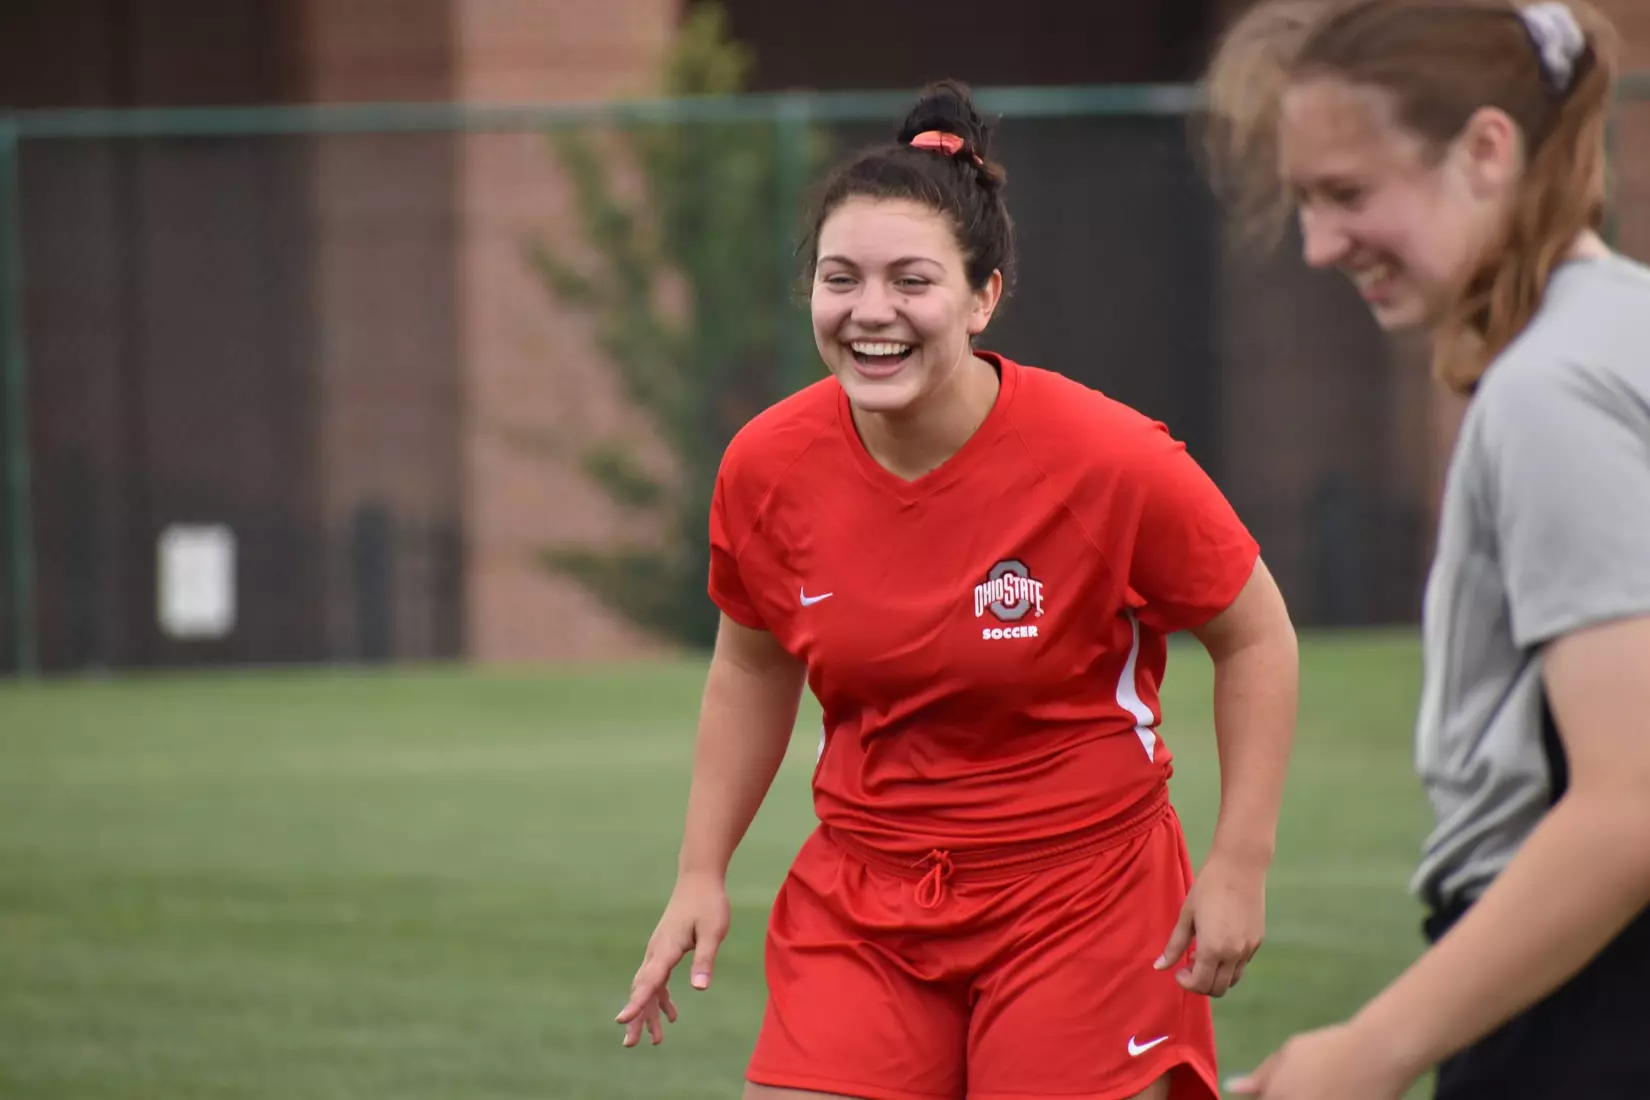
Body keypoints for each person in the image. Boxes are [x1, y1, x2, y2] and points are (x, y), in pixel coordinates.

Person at [614, 79, 1301, 1100]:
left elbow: (1256, 637)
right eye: (840, 279)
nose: (871, 312)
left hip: (1087, 893)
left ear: (984, 296)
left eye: (912, 281)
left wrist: (1237, 861)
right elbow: (750, 662)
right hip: (866, 893)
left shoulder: (1107, 458)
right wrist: (700, 869)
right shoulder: (767, 464)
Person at [1197, 2, 1650, 1098]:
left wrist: (1371, 1049)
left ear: (1488, 149)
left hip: (1586, 1010)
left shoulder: (1548, 390)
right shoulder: (1627, 324)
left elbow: (1627, 804)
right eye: (1305, 202)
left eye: (1349, 193)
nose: (1318, 245)